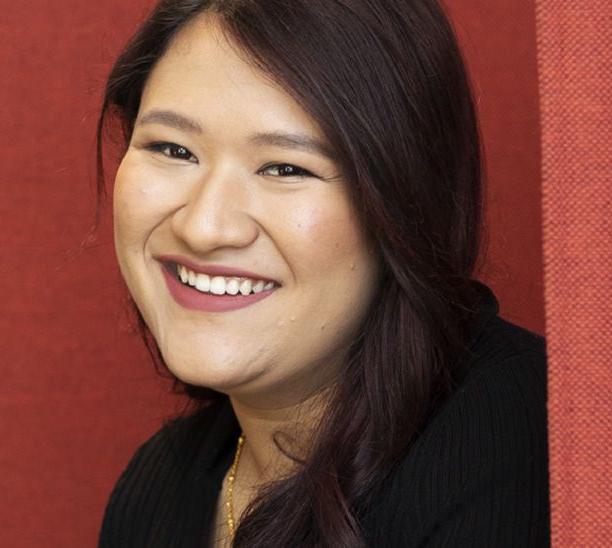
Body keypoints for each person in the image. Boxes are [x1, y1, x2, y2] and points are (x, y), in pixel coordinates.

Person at [95, 0, 547, 547]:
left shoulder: (520, 446)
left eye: (286, 168)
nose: (204, 227)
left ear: (404, 200)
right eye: (173, 149)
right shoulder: (159, 491)